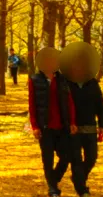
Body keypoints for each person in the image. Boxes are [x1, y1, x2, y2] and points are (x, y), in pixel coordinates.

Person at [29, 46, 77, 197]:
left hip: (62, 126)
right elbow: (32, 105)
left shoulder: (63, 79)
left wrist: (73, 122)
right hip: (45, 127)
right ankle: (52, 189)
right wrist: (35, 126)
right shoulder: (34, 80)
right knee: (47, 159)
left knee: (66, 156)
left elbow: (70, 102)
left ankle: (53, 179)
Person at [62, 42, 103, 197]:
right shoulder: (66, 83)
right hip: (72, 128)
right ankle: (81, 190)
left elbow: (100, 104)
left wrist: (102, 124)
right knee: (76, 159)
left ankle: (78, 179)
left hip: (90, 126)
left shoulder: (92, 82)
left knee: (91, 158)